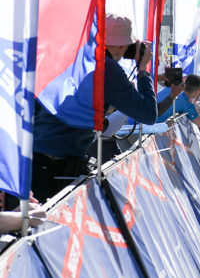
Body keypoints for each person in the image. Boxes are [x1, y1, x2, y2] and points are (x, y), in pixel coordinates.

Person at [32, 15, 159, 203]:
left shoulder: (74, 56)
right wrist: (143, 70)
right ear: (122, 46)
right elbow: (148, 114)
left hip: (34, 151)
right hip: (56, 162)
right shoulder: (106, 69)